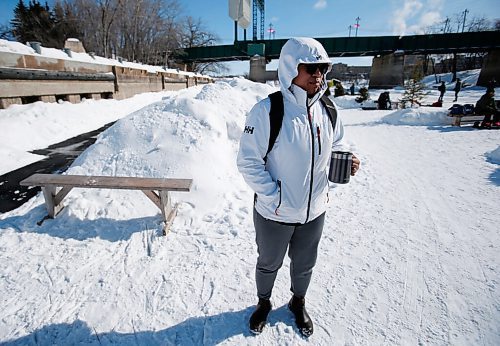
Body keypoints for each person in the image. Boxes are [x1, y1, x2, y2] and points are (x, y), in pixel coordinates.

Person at [236, 37, 360, 337]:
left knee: (305, 265)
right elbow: (248, 161)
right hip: (274, 212)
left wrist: (347, 161)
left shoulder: (328, 108)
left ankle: (297, 301)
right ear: (292, 68)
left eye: (322, 68)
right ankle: (263, 304)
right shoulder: (268, 110)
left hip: (314, 211)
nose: (317, 74)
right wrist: (274, 197)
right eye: (310, 67)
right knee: (268, 263)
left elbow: (338, 143)